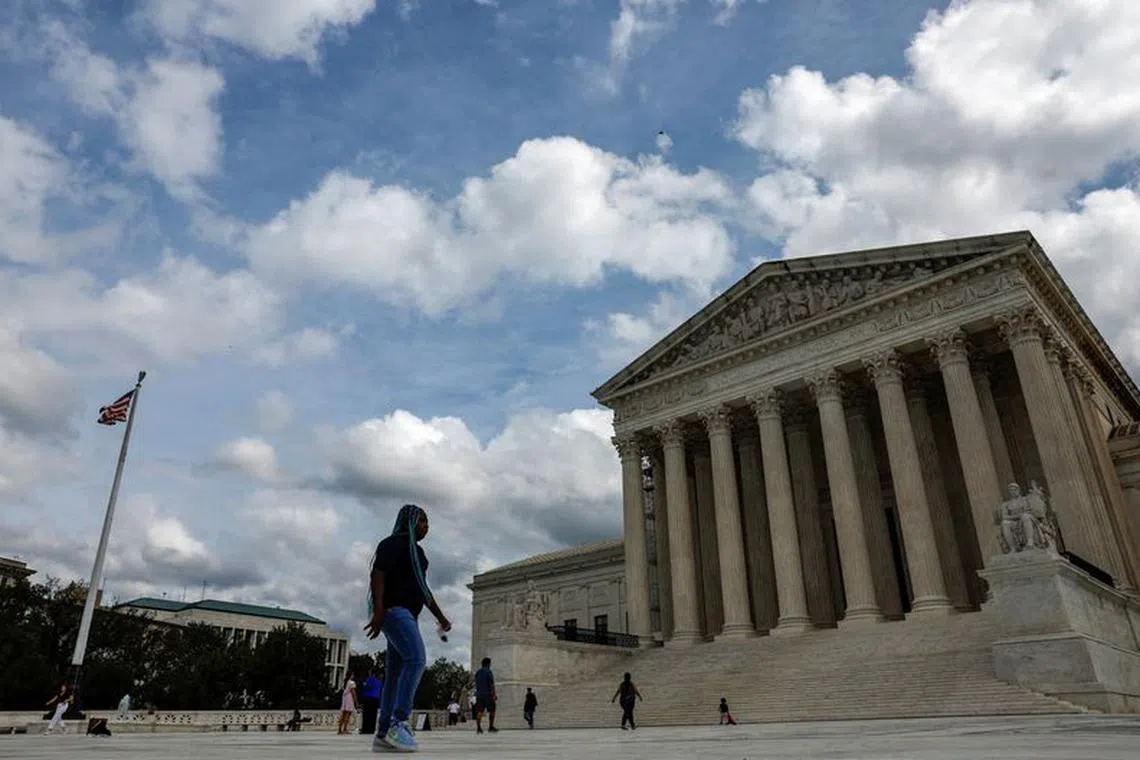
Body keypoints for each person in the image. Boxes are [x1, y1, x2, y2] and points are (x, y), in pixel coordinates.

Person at [364, 504, 452, 753]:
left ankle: (383, 734)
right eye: (423, 522)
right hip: (395, 612)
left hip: (409, 616)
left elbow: (423, 591)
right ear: (411, 523)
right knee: (417, 659)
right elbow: (377, 575)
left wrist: (441, 618)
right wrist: (379, 610)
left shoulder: (420, 554)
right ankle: (399, 721)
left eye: (428, 523)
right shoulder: (390, 545)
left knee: (393, 674)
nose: (427, 527)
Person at [473, 657, 498, 734]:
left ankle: (479, 728)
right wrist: (494, 694)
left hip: (479, 694)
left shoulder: (477, 672)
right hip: (488, 694)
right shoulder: (489, 672)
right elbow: (491, 684)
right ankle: (490, 726)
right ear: (488, 664)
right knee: (492, 711)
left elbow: (476, 683)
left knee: (480, 711)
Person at [359, 669, 383, 735]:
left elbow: (367, 686)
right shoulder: (379, 681)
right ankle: (371, 729)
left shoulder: (370, 679)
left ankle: (365, 729)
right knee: (373, 715)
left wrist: (364, 684)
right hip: (376, 698)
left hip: (368, 698)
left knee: (366, 715)